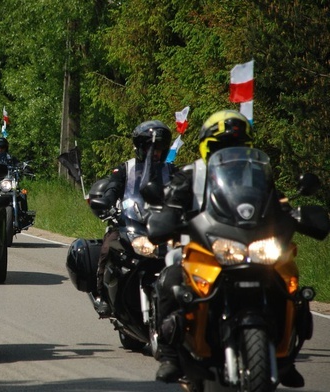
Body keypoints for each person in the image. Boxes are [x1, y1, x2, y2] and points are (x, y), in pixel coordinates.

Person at [150, 110, 304, 387]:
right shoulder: (188, 175)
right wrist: (167, 217)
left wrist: (296, 214)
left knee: (290, 285)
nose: (230, 153)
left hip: (250, 248)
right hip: (201, 250)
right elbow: (170, 204)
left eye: (237, 147)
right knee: (169, 280)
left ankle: (287, 354)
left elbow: (279, 204)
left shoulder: (258, 176)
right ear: (207, 146)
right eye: (222, 147)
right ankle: (170, 356)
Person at [88, 120, 175, 317]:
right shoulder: (125, 169)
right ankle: (102, 294)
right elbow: (112, 188)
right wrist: (107, 202)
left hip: (161, 227)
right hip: (129, 223)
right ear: (140, 147)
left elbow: (186, 195)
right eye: (151, 148)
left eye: (159, 148)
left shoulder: (171, 171)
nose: (155, 152)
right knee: (107, 247)